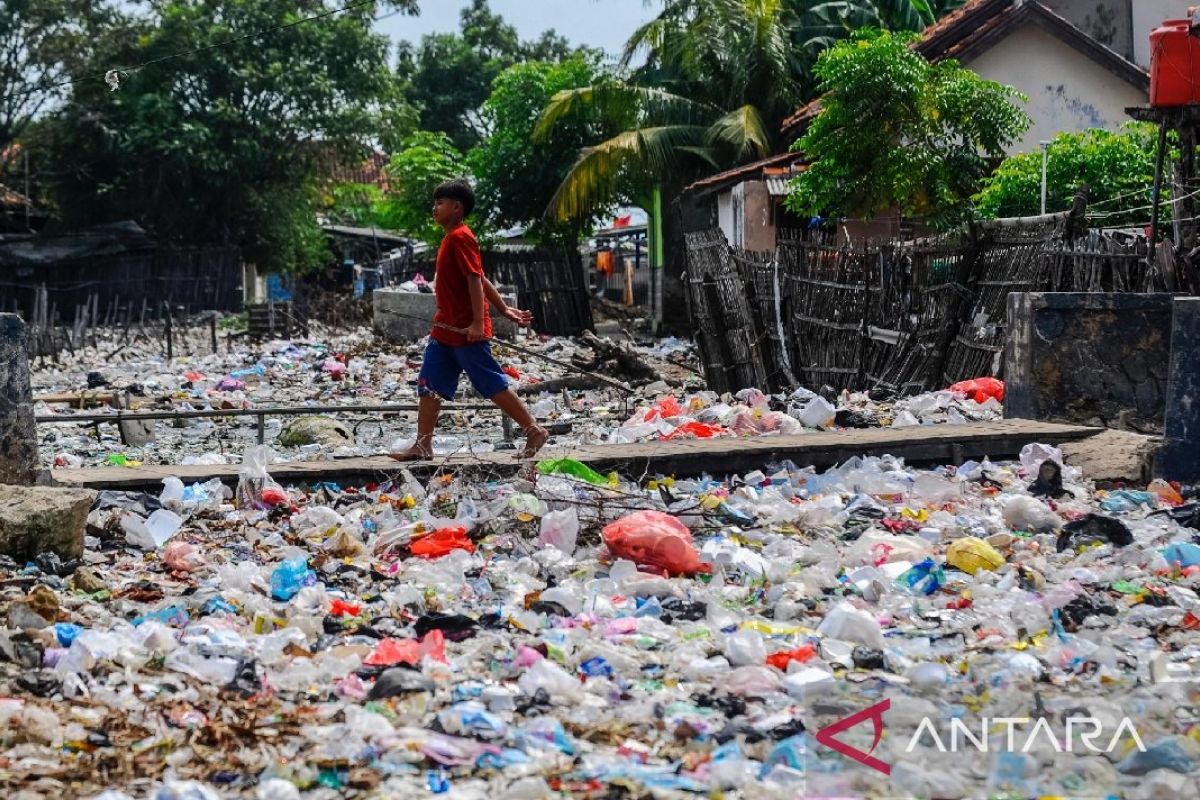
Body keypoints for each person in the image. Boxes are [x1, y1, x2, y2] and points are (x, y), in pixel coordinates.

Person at [390, 179, 549, 462]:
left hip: (465, 330)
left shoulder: (461, 237)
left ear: (456, 207)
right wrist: (503, 308)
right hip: (445, 328)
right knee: (429, 383)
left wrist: (478, 322)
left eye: (440, 203)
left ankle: (533, 430)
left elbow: (474, 280)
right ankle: (423, 445)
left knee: (489, 383)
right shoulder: (451, 238)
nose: (434, 208)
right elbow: (482, 276)